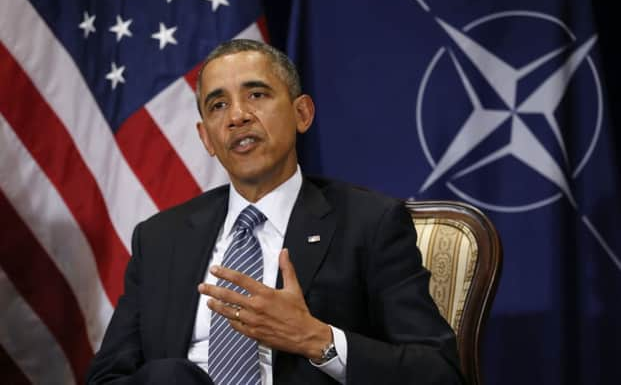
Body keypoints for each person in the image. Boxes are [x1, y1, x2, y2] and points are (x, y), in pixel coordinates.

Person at [86, 39, 463, 384]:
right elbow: (107, 377)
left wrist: (316, 339)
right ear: (207, 138)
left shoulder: (369, 223)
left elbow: (438, 372)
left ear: (302, 113)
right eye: (218, 105)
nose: (237, 116)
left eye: (256, 95)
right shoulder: (160, 239)